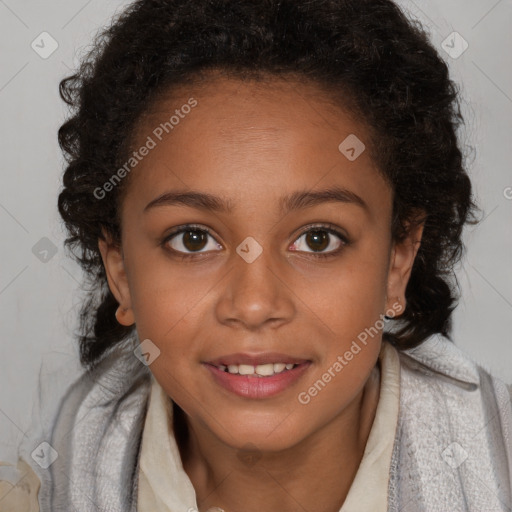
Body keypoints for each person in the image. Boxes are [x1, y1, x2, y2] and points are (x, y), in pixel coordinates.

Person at [1, 0, 511, 511]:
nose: (253, 304)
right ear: (121, 270)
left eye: (318, 239)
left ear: (398, 259)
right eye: (193, 239)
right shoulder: (46, 486)